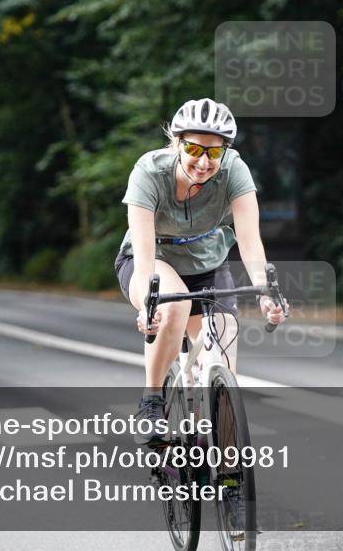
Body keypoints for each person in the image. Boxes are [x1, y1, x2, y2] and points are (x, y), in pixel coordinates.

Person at [115, 98, 286, 445]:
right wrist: (149, 302)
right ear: (177, 143)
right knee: (174, 305)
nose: (204, 161)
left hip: (207, 264)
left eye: (214, 151)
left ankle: (222, 457)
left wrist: (265, 294)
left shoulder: (234, 170)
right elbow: (144, 253)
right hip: (152, 261)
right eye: (194, 149)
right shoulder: (148, 172)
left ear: (225, 151)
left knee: (224, 350)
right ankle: (151, 402)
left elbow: (249, 240)